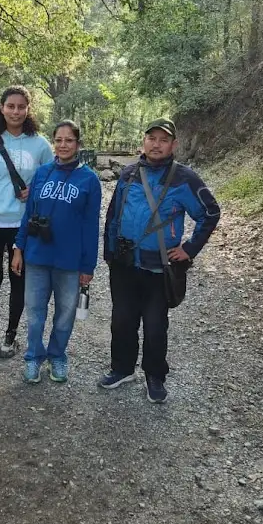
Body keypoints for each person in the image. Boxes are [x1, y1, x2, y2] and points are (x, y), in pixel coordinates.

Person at [100, 118, 220, 402]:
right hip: (125, 264)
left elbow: (210, 212)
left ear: (173, 145)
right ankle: (122, 368)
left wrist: (189, 248)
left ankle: (154, 376)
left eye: (163, 140)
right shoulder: (128, 174)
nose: (156, 145)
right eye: (152, 138)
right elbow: (113, 215)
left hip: (159, 267)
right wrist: (109, 253)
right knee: (122, 321)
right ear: (143, 141)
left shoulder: (184, 178)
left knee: (155, 326)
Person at [12, 120, 102, 384]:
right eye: (59, 140)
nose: (63, 145)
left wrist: (88, 266)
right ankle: (33, 356)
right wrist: (18, 248)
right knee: (35, 313)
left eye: (69, 140)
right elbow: (28, 214)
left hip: (69, 261)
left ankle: (57, 355)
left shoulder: (89, 180)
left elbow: (91, 226)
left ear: (78, 144)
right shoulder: (42, 173)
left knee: (65, 315)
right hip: (37, 256)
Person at [0, 85, 53, 365]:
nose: (15, 112)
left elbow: (51, 180)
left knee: (19, 280)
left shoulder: (40, 145)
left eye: (21, 107)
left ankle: (11, 334)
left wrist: (35, 191)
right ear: (2, 108)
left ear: (28, 110)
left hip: (23, 224)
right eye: (10, 106)